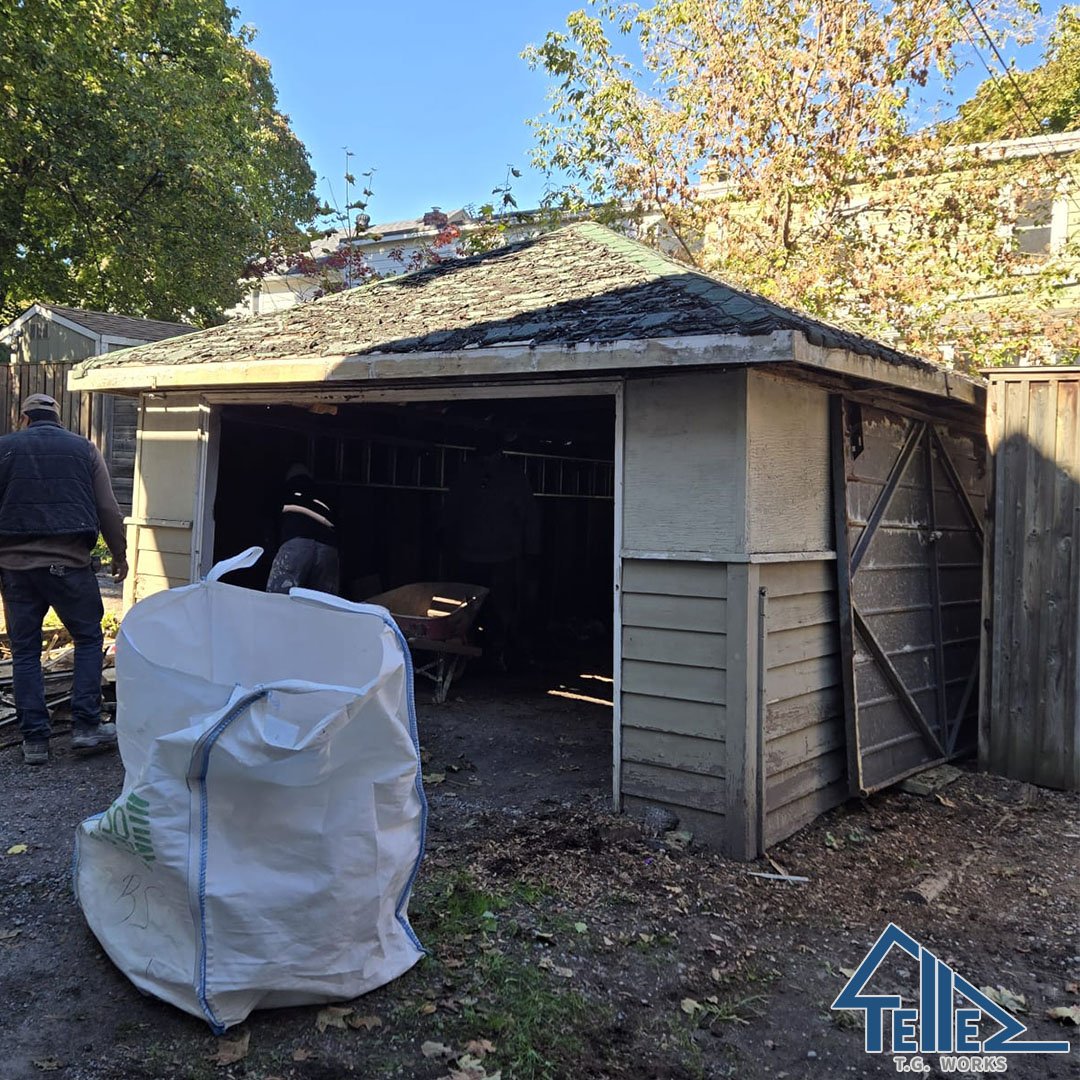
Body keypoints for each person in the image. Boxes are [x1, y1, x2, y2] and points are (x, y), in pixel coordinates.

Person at [0, 393, 128, 765]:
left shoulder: (4, 448)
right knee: (88, 637)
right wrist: (119, 555)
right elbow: (107, 507)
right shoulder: (83, 449)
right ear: (57, 419)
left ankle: (35, 741)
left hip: (16, 570)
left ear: (24, 418)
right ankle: (87, 727)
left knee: (25, 652)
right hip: (69, 565)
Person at [441, 431, 540, 667]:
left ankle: (494, 654)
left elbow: (528, 515)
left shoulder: (509, 476)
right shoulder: (471, 474)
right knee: (472, 609)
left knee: (495, 608)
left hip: (498, 556)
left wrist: (531, 550)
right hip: (477, 554)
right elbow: (451, 512)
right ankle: (477, 654)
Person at [265, 463, 340, 595]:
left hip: (296, 543)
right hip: (328, 547)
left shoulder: (284, 492)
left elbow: (271, 525)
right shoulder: (324, 495)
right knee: (324, 603)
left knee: (278, 599)